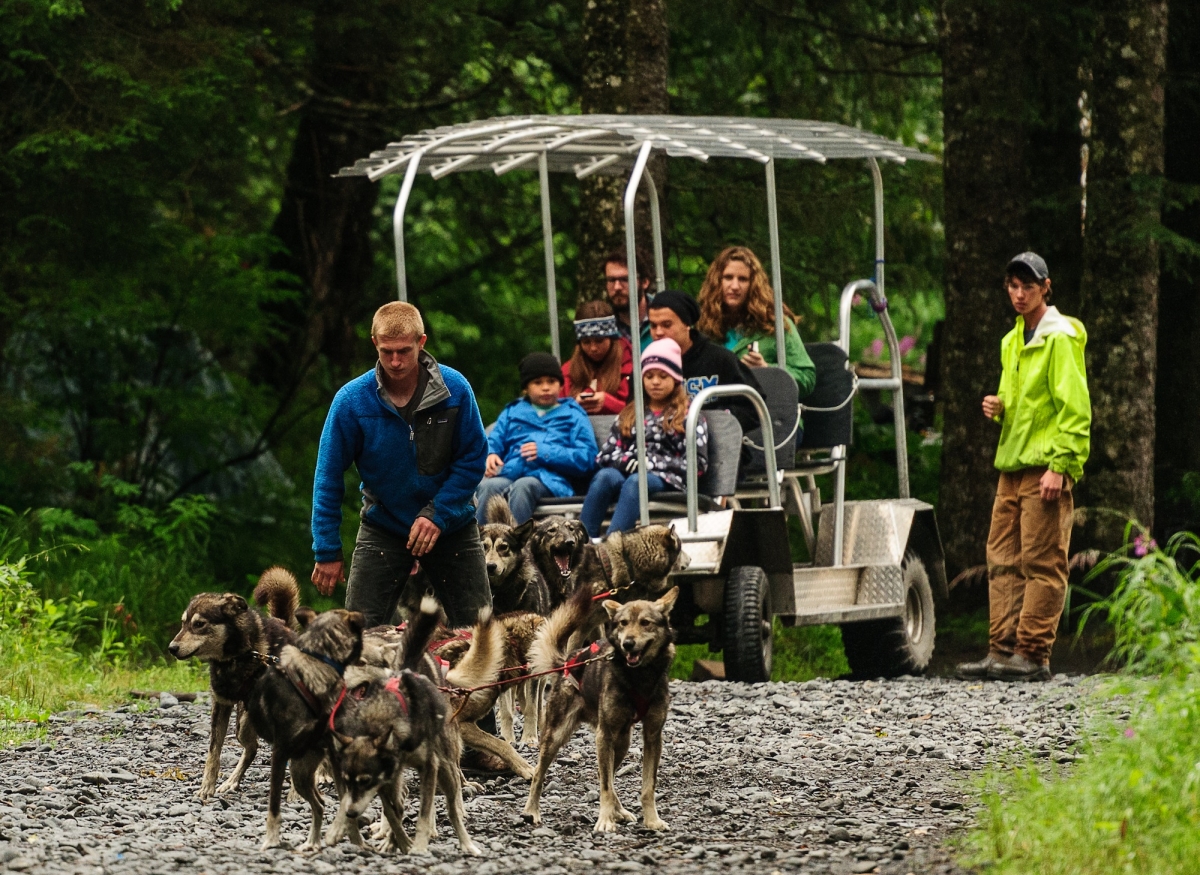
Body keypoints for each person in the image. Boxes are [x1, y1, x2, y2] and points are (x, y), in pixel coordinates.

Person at [310, 301, 491, 630]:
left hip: (452, 524)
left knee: (480, 632)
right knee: (357, 633)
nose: (395, 361)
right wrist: (326, 549)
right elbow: (328, 477)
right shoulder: (351, 400)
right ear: (374, 344)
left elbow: (473, 459)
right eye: (387, 351)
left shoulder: (456, 390)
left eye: (404, 351)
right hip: (384, 524)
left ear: (421, 343)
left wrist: (439, 513)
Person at [957, 252, 1091, 683]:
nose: (1018, 294)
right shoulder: (1012, 339)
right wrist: (999, 407)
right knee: (1002, 558)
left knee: (1043, 560)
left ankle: (1033, 653)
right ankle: (1002, 651)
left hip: (1044, 467)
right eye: (1012, 286)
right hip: (1011, 465)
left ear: (1045, 287)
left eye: (1027, 287)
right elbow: (1027, 404)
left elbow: (1074, 407)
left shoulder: (1061, 335)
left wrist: (1063, 465)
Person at [580, 338, 708, 537]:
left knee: (636, 482)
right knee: (605, 477)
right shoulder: (631, 413)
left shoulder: (688, 415)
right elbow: (605, 455)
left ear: (675, 379)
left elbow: (696, 465)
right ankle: (582, 539)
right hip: (629, 471)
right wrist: (626, 461)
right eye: (649, 376)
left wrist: (648, 463)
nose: (655, 382)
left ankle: (613, 544)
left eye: (662, 376)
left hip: (667, 479)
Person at [475, 352, 598, 525]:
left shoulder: (573, 414)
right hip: (511, 472)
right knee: (488, 486)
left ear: (561, 384)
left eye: (551, 381)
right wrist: (491, 454)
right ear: (526, 387)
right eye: (538, 382)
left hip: (551, 481)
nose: (545, 387)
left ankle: (517, 545)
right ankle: (480, 544)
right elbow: (494, 439)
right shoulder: (512, 411)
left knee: (523, 486)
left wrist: (546, 452)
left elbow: (587, 458)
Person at [697, 245, 816, 397]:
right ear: (716, 281)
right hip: (716, 416)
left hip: (766, 415)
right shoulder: (702, 328)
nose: (734, 286)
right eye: (728, 277)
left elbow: (807, 377)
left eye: (743, 279)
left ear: (753, 285)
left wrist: (767, 370)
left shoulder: (775, 324)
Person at [647, 288, 764, 433]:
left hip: (717, 445)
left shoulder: (720, 359)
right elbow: (634, 412)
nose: (658, 332)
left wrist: (715, 422)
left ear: (687, 324)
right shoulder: (646, 365)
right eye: (653, 326)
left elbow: (753, 406)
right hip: (661, 445)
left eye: (666, 325)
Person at [560, 300, 633, 415]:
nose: (593, 348)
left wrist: (608, 403)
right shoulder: (567, 372)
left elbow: (642, 412)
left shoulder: (631, 368)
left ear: (612, 339)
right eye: (586, 342)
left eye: (599, 341)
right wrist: (574, 405)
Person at [603, 246, 654, 349]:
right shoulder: (601, 326)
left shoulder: (667, 319)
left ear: (644, 282)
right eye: (611, 280)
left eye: (625, 280)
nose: (617, 287)